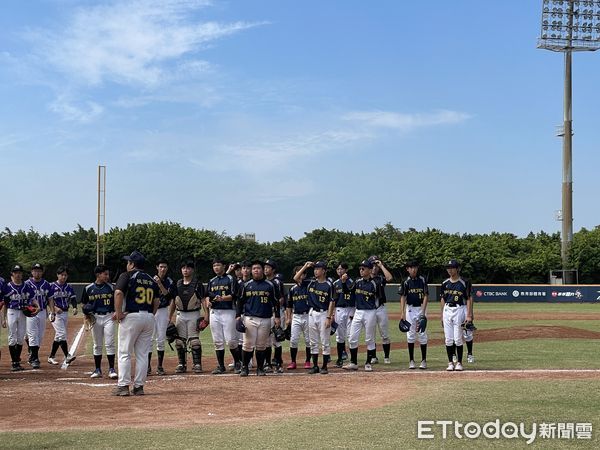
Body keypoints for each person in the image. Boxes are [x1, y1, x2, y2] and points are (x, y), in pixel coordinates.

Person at [113, 250, 160, 396]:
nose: (127, 264)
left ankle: (123, 386)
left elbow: (118, 293)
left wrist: (119, 312)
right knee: (142, 354)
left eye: (129, 262)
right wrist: (150, 314)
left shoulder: (127, 275)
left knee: (124, 352)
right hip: (148, 317)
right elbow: (157, 301)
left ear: (132, 264)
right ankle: (139, 387)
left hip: (132, 316)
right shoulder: (152, 280)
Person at [236, 260, 280, 377]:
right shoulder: (246, 285)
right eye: (254, 268)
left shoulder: (270, 285)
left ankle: (260, 368)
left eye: (259, 268)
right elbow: (240, 301)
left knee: (261, 345)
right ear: (251, 270)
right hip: (249, 318)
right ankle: (245, 367)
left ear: (262, 270)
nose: (256, 270)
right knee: (248, 344)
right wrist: (237, 317)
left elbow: (276, 302)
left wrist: (277, 316)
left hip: (265, 318)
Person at [294, 261, 335, 375]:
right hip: (312, 313)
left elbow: (332, 302)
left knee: (325, 341)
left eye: (318, 269)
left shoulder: (329, 285)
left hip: (324, 313)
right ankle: (315, 366)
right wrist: (305, 266)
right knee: (313, 341)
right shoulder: (311, 282)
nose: (315, 271)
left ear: (324, 271)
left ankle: (325, 366)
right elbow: (296, 278)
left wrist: (328, 317)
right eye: (315, 268)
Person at [168, 260, 207, 374]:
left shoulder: (197, 284)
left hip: (194, 314)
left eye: (188, 268)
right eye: (183, 268)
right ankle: (181, 364)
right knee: (179, 341)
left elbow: (203, 300)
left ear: (192, 270)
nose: (186, 270)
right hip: (180, 314)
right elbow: (173, 302)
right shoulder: (177, 284)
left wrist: (206, 316)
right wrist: (169, 316)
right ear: (181, 270)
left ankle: (197, 364)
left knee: (194, 341)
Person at [343, 259, 382, 372]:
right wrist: (344, 282)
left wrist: (375, 311)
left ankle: (368, 363)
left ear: (370, 270)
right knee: (352, 337)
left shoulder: (375, 283)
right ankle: (353, 363)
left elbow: (380, 298)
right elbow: (348, 292)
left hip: (370, 312)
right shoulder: (357, 281)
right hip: (358, 311)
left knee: (369, 338)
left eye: (363, 268)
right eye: (360, 268)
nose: (361, 270)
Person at [81, 264, 118, 379]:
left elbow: (117, 300)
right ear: (98, 275)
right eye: (105, 274)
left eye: (107, 274)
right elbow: (83, 303)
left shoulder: (112, 287)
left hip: (109, 317)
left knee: (110, 343)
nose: (107, 276)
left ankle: (112, 369)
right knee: (97, 345)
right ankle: (97, 369)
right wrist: (86, 314)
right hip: (95, 318)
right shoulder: (88, 288)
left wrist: (117, 311)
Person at [206, 258, 241, 375]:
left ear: (224, 266)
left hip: (228, 311)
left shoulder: (230, 279)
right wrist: (208, 301)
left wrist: (221, 298)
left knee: (231, 340)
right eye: (214, 265)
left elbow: (234, 295)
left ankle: (237, 362)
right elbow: (207, 295)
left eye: (218, 265)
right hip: (215, 312)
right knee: (217, 341)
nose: (216, 267)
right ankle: (221, 366)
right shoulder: (212, 281)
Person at [1, 265, 38, 371]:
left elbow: (32, 297)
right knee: (12, 336)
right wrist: (3, 318)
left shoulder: (26, 286)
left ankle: (17, 361)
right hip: (12, 312)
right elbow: (5, 304)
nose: (18, 274)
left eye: (20, 272)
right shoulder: (7, 286)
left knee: (21, 337)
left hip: (23, 312)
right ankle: (14, 362)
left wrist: (38, 306)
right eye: (16, 272)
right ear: (12, 274)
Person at [440, 259, 473, 372]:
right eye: (448, 268)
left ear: (457, 269)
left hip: (459, 309)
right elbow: (443, 299)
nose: (450, 270)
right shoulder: (445, 283)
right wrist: (442, 315)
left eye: (452, 268)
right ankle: (450, 362)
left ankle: (459, 362)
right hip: (447, 310)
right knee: (448, 339)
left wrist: (469, 315)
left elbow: (468, 298)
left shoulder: (464, 282)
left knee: (458, 339)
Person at [399, 260, 429, 370]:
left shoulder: (422, 279)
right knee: (410, 334)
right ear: (407, 269)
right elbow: (403, 297)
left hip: (421, 307)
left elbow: (426, 295)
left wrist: (423, 312)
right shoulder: (405, 281)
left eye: (415, 267)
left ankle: (423, 360)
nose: (414, 269)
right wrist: (402, 313)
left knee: (422, 333)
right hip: (410, 309)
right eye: (411, 267)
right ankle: (411, 360)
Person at [47, 266, 78, 365]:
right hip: (54, 313)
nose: (64, 277)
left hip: (64, 312)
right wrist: (54, 309)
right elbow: (48, 300)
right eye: (62, 275)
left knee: (58, 337)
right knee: (62, 334)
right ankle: (67, 356)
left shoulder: (69, 287)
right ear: (57, 275)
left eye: (65, 275)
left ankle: (51, 357)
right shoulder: (51, 286)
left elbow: (73, 298)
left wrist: (75, 307)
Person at [149, 258, 173, 376]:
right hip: (152, 311)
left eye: (165, 267)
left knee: (161, 339)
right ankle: (147, 366)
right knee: (149, 339)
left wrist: (159, 283)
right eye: (161, 266)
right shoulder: (150, 280)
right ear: (157, 267)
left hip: (163, 310)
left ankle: (159, 366)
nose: (163, 269)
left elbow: (168, 296)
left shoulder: (169, 281)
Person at [25, 263, 52, 369]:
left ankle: (32, 355)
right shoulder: (26, 284)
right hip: (30, 311)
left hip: (42, 311)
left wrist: (52, 311)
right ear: (32, 272)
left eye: (39, 270)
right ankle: (35, 359)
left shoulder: (46, 284)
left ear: (42, 272)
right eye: (35, 270)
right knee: (33, 335)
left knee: (39, 336)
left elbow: (50, 299)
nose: (37, 272)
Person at [285, 265, 312, 370]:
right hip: (296, 316)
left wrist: (305, 267)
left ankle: (308, 361)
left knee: (308, 340)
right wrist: (288, 318)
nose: (300, 275)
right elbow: (289, 305)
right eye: (298, 272)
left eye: (302, 273)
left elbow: (297, 278)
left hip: (307, 315)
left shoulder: (308, 285)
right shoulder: (293, 289)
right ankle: (293, 361)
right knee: (294, 340)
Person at [368, 256, 393, 364]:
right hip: (369, 310)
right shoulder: (365, 279)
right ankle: (373, 357)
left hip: (380, 308)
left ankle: (386, 357)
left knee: (385, 334)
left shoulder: (380, 278)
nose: (374, 268)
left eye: (376, 266)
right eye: (372, 265)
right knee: (371, 335)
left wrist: (381, 265)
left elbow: (389, 278)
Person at [263, 259, 286, 373]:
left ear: (273, 270)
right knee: (266, 340)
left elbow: (281, 299)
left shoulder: (277, 282)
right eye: (265, 267)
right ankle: (267, 363)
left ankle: (278, 362)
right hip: (265, 314)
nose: (265, 269)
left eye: (268, 267)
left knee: (276, 339)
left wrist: (276, 312)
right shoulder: (262, 282)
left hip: (275, 313)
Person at [332, 262, 354, 367]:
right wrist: (332, 313)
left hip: (350, 309)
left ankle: (353, 359)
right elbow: (333, 299)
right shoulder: (335, 283)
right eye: (338, 269)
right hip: (339, 310)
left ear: (346, 270)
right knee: (340, 336)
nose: (339, 271)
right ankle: (340, 358)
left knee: (351, 335)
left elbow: (352, 295)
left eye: (341, 269)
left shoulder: (351, 282)